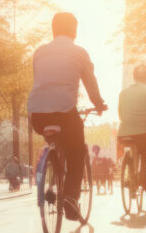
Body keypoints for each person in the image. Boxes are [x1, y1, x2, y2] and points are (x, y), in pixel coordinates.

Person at [27, 12, 106, 221]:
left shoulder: (39, 52)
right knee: (77, 150)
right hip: (64, 113)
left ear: (53, 30)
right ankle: (71, 196)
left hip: (37, 115)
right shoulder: (79, 52)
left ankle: (53, 165)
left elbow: (40, 81)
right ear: (74, 31)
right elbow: (90, 82)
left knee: (59, 139)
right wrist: (98, 103)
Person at [117, 64, 146, 197]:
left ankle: (129, 174)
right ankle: (145, 182)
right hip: (141, 134)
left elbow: (120, 114)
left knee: (133, 148)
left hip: (123, 133)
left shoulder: (123, 93)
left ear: (134, 77)